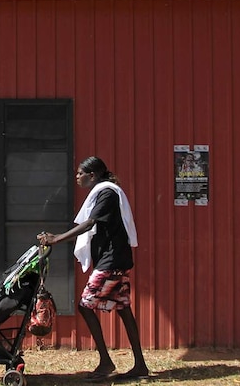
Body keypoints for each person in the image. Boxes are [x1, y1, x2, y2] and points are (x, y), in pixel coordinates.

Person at [38, 156, 150, 381]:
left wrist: (57, 239)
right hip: (115, 260)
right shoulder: (104, 192)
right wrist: (56, 238)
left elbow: (90, 224)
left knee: (85, 305)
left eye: (80, 173)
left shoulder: (107, 193)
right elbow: (88, 228)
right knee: (123, 309)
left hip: (111, 261)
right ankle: (139, 366)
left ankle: (107, 362)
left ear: (93, 175)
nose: (77, 177)